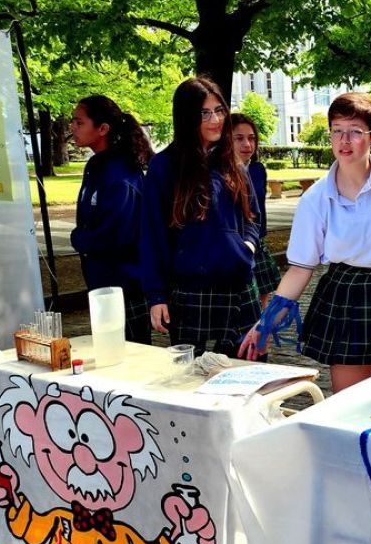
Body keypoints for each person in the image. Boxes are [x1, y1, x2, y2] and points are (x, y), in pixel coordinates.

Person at [238, 92, 371, 392]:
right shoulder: (315, 199)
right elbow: (300, 269)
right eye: (337, 131)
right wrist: (266, 321)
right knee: (349, 400)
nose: (344, 140)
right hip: (345, 294)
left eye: (355, 132)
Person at [139, 77, 261, 355]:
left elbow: (253, 217)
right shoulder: (165, 166)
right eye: (205, 113)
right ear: (186, 116)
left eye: (219, 110)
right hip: (190, 291)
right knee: (192, 380)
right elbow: (152, 234)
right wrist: (156, 295)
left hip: (239, 284)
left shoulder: (233, 163)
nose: (215, 119)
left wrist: (247, 247)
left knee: (247, 374)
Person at [69, 94, 153, 344]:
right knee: (107, 351)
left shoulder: (122, 173)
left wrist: (80, 238)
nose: (73, 127)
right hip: (100, 281)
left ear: (103, 128)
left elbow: (118, 232)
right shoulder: (95, 165)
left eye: (80, 122)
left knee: (131, 356)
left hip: (125, 285)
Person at [229, 112, 281, 306]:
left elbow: (259, 208)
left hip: (256, 240)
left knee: (263, 295)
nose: (247, 145)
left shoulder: (257, 169)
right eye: (239, 138)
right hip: (232, 246)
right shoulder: (216, 173)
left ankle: (261, 334)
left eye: (251, 138)